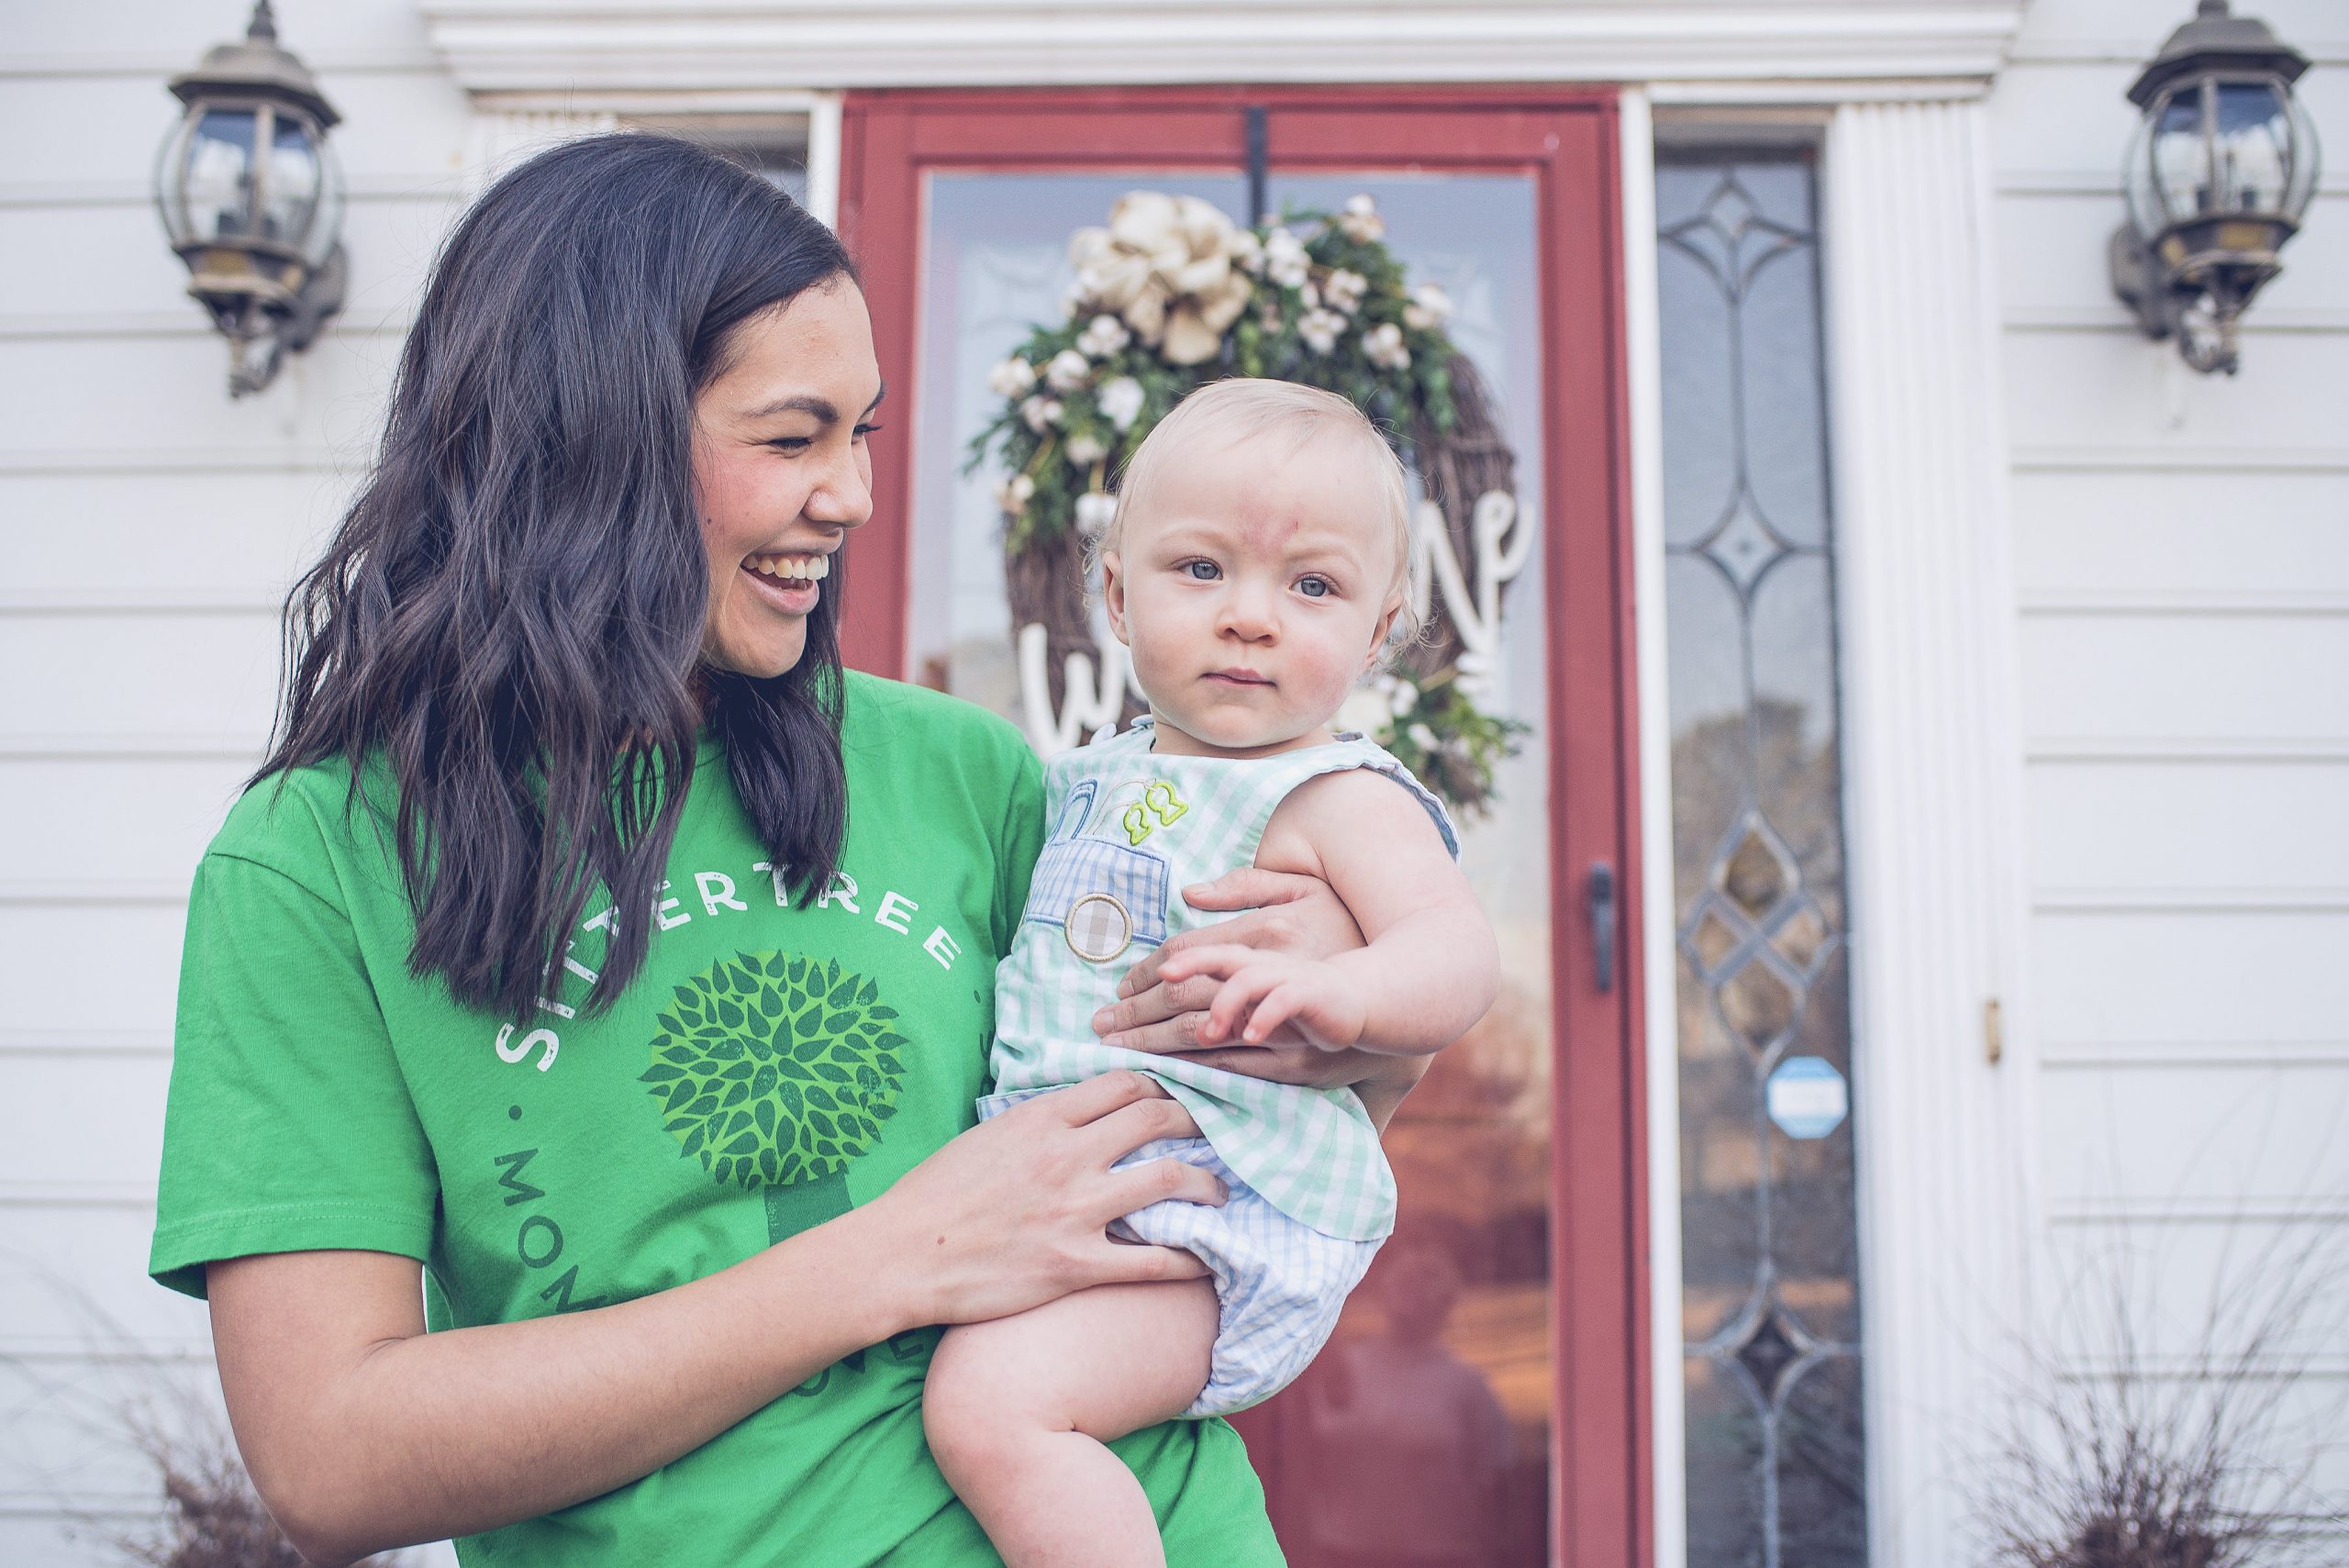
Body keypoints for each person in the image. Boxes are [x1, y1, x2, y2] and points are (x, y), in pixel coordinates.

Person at [146, 135, 1428, 1568]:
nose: (855, 497)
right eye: (792, 435)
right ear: (595, 440)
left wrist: (1340, 993)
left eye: (864, 434)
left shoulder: (966, 774)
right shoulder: (314, 864)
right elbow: (331, 1456)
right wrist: (880, 1262)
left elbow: (1280, 1116)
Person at [922, 379, 1502, 1567]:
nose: (1251, 617)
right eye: (1202, 570)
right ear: (1119, 597)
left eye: (1312, 586)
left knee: (990, 1405)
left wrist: (1349, 993)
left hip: (1220, 1206)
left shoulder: (1335, 792)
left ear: (1377, 634)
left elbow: (1458, 953)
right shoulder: (1086, 774)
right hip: (1098, 1189)